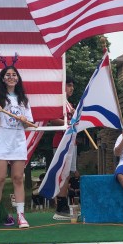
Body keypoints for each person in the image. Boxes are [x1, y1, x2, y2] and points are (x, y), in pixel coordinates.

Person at [0, 65, 34, 230]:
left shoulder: (23, 99)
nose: (11, 77)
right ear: (3, 78)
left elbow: (28, 126)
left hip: (17, 143)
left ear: (18, 78)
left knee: (18, 178)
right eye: (8, 75)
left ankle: (21, 215)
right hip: (0, 143)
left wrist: (23, 120)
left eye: (14, 75)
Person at [50, 75, 76, 220]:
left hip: (71, 141)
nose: (71, 88)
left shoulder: (69, 104)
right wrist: (69, 123)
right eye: (69, 85)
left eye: (72, 85)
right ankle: (60, 206)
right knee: (62, 174)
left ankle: (64, 203)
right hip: (61, 141)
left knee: (68, 174)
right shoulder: (58, 103)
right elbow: (52, 119)